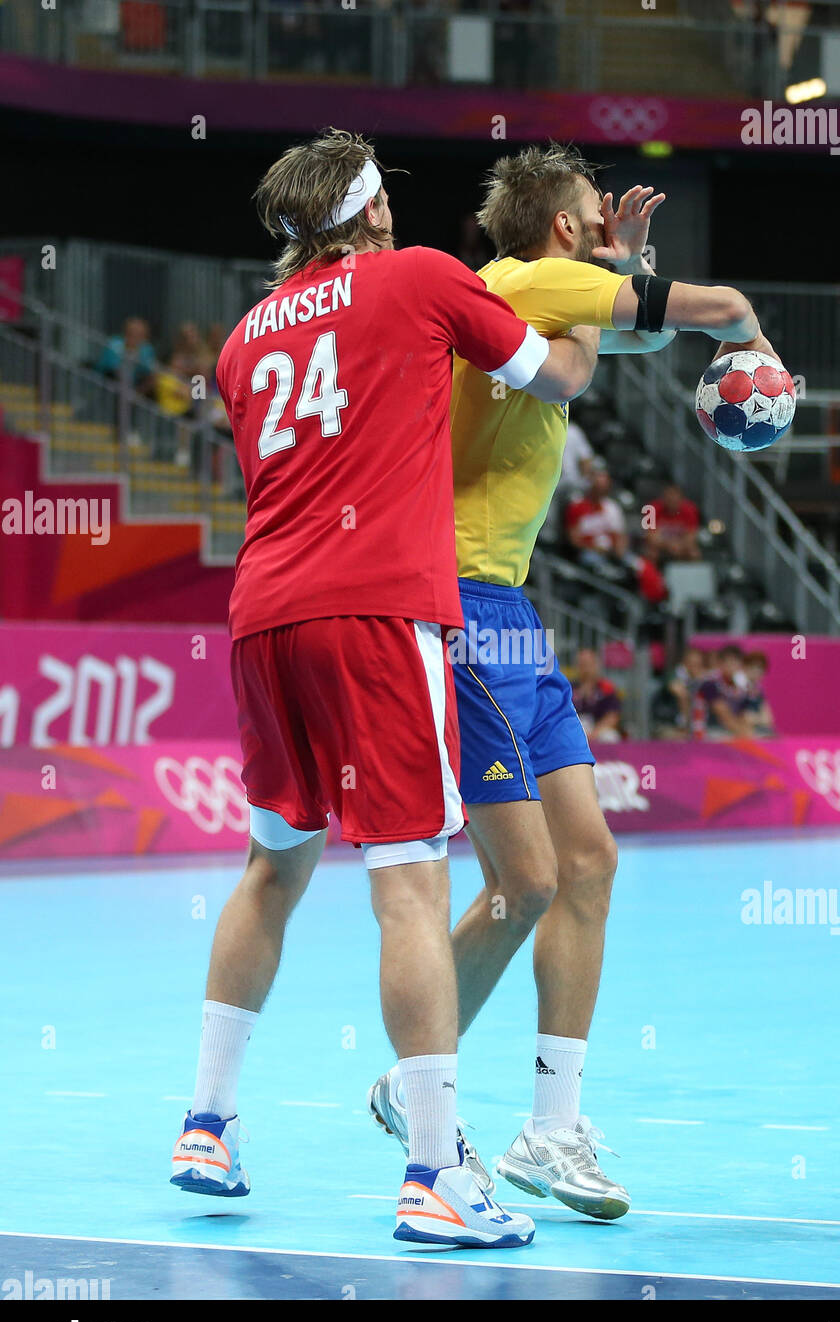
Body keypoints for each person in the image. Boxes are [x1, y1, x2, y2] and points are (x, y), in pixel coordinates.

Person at [168, 128, 597, 1251]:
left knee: (271, 867)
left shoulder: (238, 340)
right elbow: (555, 373)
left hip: (263, 617)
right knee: (407, 882)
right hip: (376, 612)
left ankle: (205, 1123)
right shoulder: (417, 277)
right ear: (368, 213)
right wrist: (597, 295)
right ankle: (430, 1172)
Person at [363, 142, 783, 1219]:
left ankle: (547, 1131)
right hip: (462, 605)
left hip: (506, 612)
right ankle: (423, 1081)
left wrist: (616, 283)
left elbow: (600, 349)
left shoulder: (532, 297)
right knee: (527, 880)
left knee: (584, 863)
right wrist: (756, 342)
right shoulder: (520, 280)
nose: (611, 229)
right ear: (562, 229)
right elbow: (718, 305)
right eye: (599, 217)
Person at [695, 644, 754, 740]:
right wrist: (748, 737)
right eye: (729, 662)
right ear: (720, 664)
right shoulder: (710, 683)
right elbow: (724, 716)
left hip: (727, 731)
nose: (733, 667)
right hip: (704, 734)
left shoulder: (742, 685)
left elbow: (744, 715)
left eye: (736, 663)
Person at [571, 647, 623, 742]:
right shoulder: (569, 688)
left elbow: (612, 716)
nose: (586, 669)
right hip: (576, 728)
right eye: (582, 664)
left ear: (596, 665)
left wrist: (594, 733)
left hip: (598, 729)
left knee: (611, 736)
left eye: (588, 664)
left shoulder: (606, 688)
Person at [95, 316, 157, 395]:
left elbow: (150, 371)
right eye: (131, 333)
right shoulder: (115, 343)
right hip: (107, 383)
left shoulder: (147, 349)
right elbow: (114, 369)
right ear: (125, 333)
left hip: (134, 389)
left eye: (140, 335)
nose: (135, 337)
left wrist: (137, 393)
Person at [650, 478, 701, 561]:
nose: (672, 499)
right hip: (661, 546)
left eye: (674, 495)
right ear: (663, 497)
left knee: (694, 553)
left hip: (681, 546)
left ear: (681, 498)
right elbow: (651, 537)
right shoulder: (652, 508)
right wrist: (668, 545)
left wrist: (679, 545)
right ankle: (653, 574)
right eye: (669, 495)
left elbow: (691, 536)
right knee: (651, 553)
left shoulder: (691, 509)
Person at [741, 650, 775, 737]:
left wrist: (759, 719)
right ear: (745, 667)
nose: (756, 671)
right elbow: (744, 717)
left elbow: (768, 718)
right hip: (741, 729)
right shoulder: (738, 686)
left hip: (757, 727)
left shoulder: (758, 689)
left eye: (760, 669)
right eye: (753, 667)